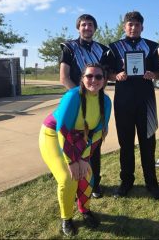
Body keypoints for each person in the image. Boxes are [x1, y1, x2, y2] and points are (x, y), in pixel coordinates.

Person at [39, 64, 112, 236]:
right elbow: (62, 130)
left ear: (104, 81)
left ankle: (84, 210)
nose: (93, 80)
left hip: (80, 137)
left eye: (99, 77)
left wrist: (84, 159)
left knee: (87, 175)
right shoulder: (73, 96)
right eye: (89, 76)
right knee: (68, 178)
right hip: (53, 136)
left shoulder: (106, 101)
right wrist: (72, 161)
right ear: (82, 78)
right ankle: (67, 218)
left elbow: (99, 132)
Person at [107, 11, 159, 200]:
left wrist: (153, 75)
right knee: (126, 144)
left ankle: (151, 182)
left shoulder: (152, 46)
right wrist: (117, 76)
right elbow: (108, 74)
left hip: (146, 101)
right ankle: (126, 182)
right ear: (124, 26)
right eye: (130, 24)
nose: (133, 27)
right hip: (123, 102)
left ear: (142, 27)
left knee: (148, 143)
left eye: (137, 24)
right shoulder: (114, 47)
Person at [59, 14, 109, 199]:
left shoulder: (103, 50)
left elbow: (106, 75)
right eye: (83, 24)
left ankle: (94, 184)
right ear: (78, 28)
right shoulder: (69, 47)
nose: (87, 27)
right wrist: (81, 97)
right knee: (71, 142)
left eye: (90, 25)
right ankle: (73, 183)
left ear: (95, 28)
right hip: (75, 100)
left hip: (97, 100)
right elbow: (64, 77)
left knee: (94, 143)